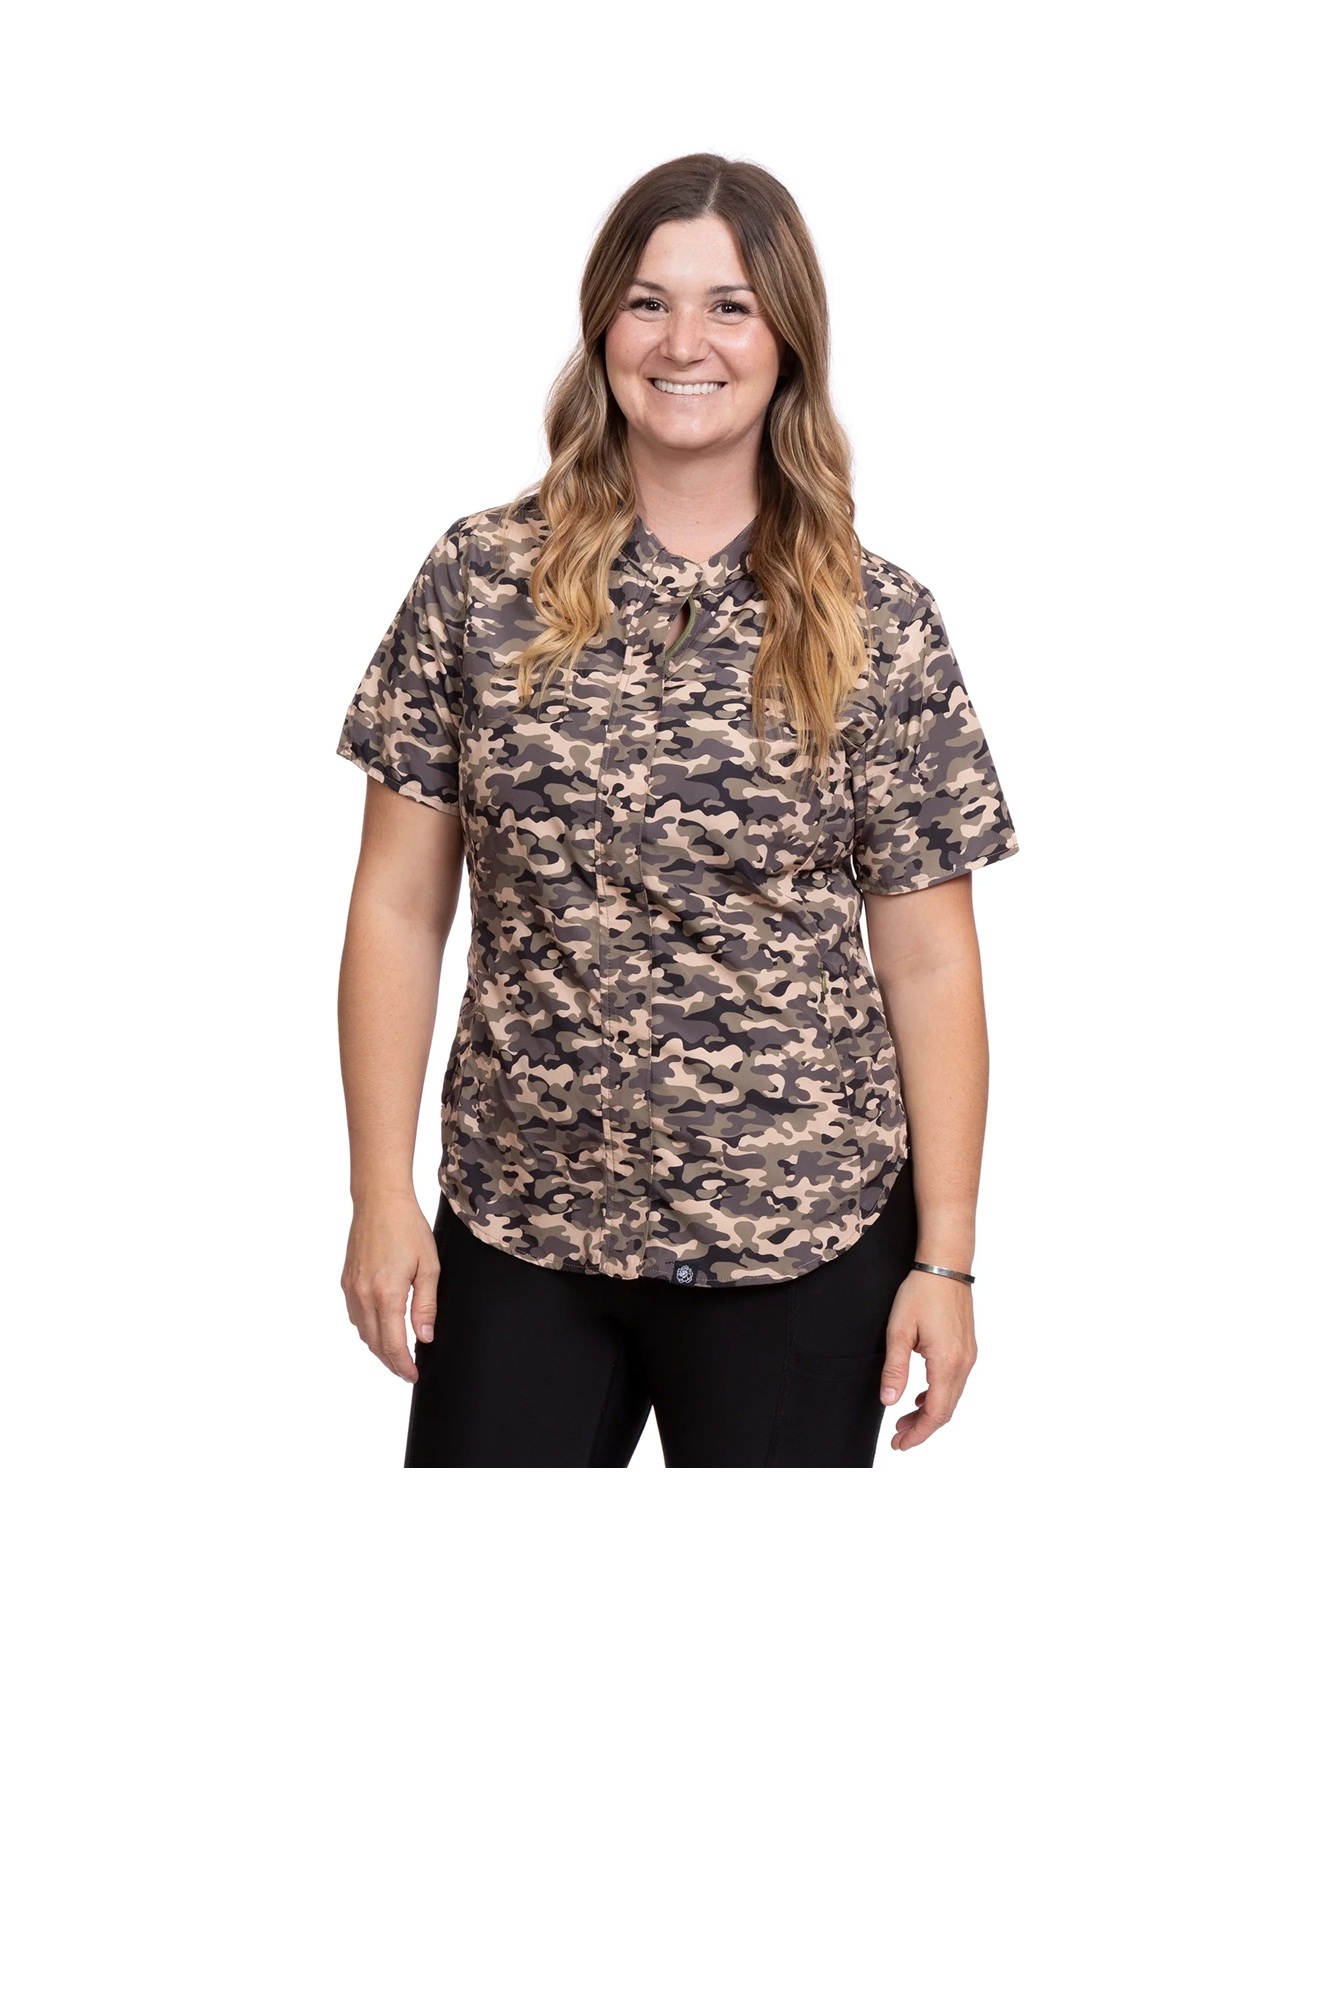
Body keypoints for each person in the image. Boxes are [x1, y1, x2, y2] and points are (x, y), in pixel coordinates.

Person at [334, 153, 1019, 1468]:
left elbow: (930, 958)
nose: (683, 343)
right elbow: (399, 905)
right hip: (523, 1219)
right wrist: (378, 1194)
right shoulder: (479, 580)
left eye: (729, 307)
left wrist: (946, 1259)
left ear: (786, 341)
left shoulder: (878, 620)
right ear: (603, 328)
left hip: (800, 1232)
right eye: (648, 303)